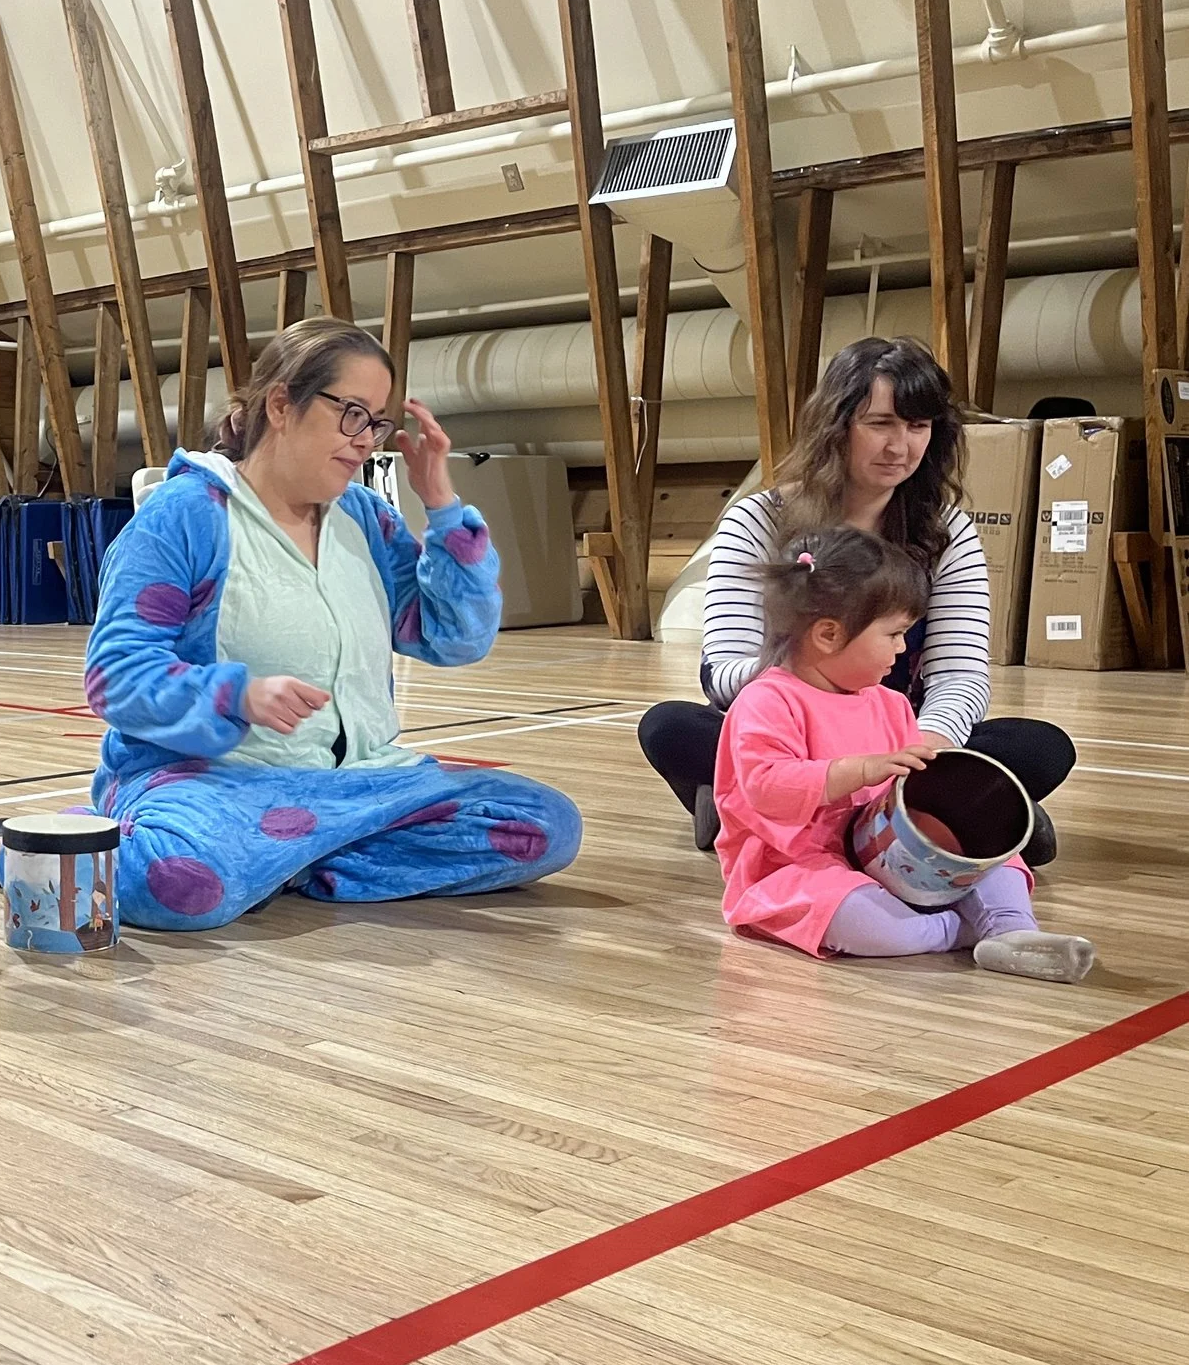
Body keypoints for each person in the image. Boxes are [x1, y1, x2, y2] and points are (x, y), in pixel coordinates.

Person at [79, 318, 581, 932]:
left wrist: (443, 506)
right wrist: (236, 694)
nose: (365, 438)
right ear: (282, 403)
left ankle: (286, 859)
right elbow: (116, 677)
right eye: (351, 413)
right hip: (217, 783)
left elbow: (457, 637)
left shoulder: (368, 519)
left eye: (376, 422)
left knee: (546, 827)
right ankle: (16, 849)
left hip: (361, 786)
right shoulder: (185, 516)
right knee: (182, 883)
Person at [638, 336, 1073, 859]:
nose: (901, 447)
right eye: (881, 424)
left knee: (1041, 746)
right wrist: (820, 711)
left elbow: (961, 674)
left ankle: (777, 813)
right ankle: (948, 812)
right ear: (836, 425)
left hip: (898, 736)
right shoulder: (758, 520)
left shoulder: (947, 532)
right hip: (788, 736)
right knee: (669, 727)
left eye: (918, 427)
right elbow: (725, 671)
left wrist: (924, 745)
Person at [714, 526, 1091, 981]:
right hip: (799, 868)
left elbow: (910, 792)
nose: (901, 648)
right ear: (829, 635)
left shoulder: (889, 703)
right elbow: (766, 788)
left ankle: (1013, 928)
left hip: (891, 857)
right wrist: (860, 770)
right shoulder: (767, 701)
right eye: (894, 634)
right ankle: (965, 931)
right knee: (859, 920)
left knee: (1000, 863)